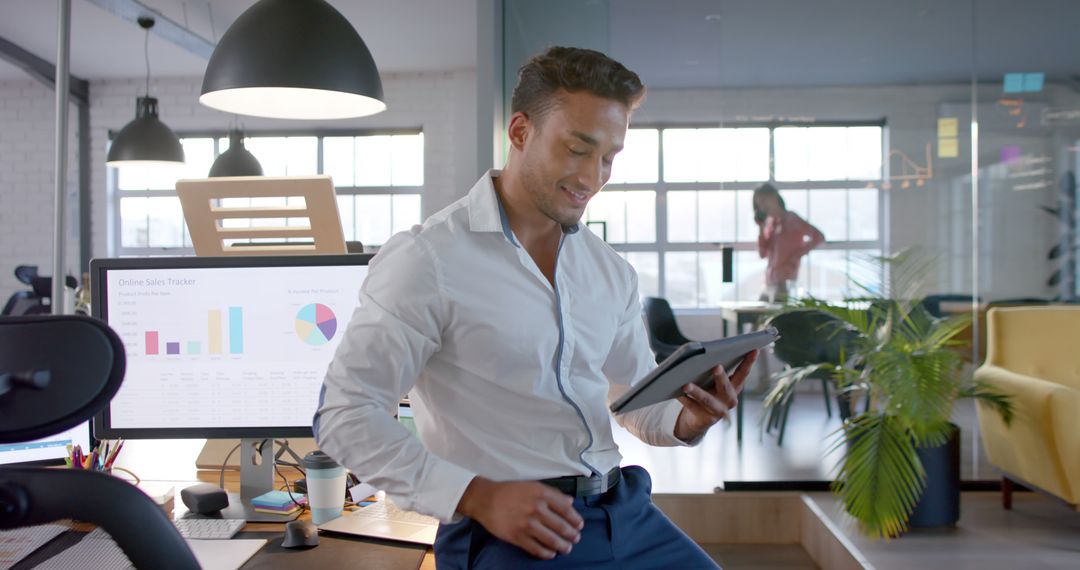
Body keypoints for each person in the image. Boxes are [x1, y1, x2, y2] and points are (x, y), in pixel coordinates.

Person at [314, 46, 758, 569]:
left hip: (624, 512)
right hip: (512, 529)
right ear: (520, 132)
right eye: (577, 149)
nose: (594, 177)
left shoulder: (608, 272)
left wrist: (686, 419)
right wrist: (477, 496)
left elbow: (632, 400)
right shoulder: (427, 259)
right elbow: (344, 413)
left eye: (609, 157)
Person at [753, 183, 824, 303]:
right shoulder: (770, 224)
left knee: (778, 316)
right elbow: (762, 254)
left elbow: (818, 237)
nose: (762, 207)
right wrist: (761, 228)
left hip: (784, 279)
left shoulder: (792, 219)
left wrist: (797, 255)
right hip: (770, 280)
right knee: (757, 316)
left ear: (774, 197)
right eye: (759, 204)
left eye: (764, 201)